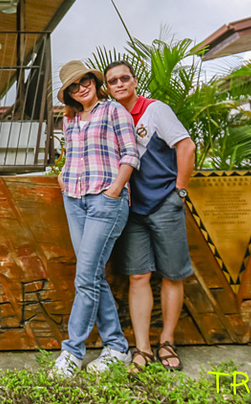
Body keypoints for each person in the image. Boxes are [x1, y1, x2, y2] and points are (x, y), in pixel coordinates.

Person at [103, 60, 196, 372]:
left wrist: (179, 191)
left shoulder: (156, 110)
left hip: (164, 203)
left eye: (124, 78)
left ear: (134, 81)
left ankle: (167, 341)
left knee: (172, 275)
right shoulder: (110, 116)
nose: (119, 84)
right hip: (130, 208)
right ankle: (142, 347)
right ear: (107, 88)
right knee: (138, 276)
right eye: (113, 80)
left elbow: (186, 146)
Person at [51, 60, 140, 377]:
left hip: (106, 200)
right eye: (73, 87)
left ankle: (72, 351)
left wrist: (115, 189)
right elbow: (71, 155)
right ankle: (117, 347)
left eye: (84, 80)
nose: (80, 88)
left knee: (84, 277)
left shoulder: (114, 110)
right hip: (74, 200)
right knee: (93, 276)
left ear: (93, 80)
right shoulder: (71, 120)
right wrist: (62, 175)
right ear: (69, 95)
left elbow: (130, 153)